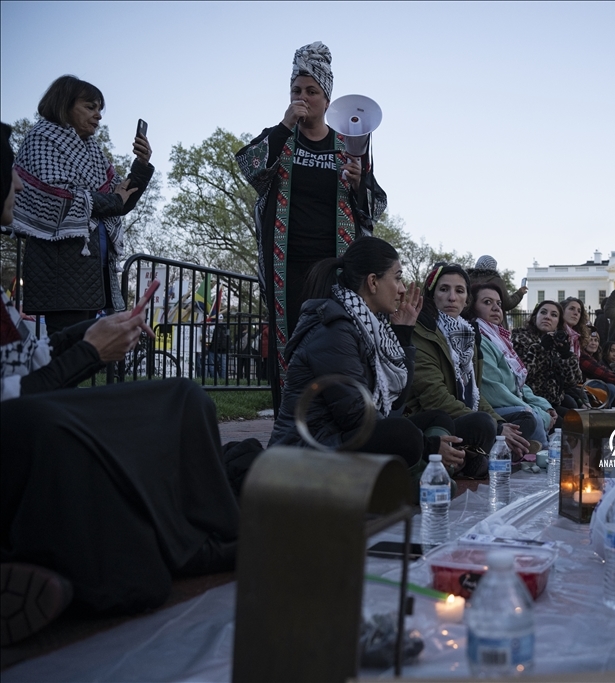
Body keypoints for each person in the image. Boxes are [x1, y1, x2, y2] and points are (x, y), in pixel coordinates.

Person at [0, 122, 237, 644]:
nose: (19, 186)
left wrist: (92, 333)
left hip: (38, 392)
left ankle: (208, 536)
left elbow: (16, 360)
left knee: (183, 396)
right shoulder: (47, 157)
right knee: (134, 579)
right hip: (23, 426)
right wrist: (87, 353)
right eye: (9, 178)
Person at [236, 42, 386, 401]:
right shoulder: (281, 137)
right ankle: (288, 421)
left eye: (311, 91)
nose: (302, 98)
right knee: (288, 341)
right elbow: (250, 170)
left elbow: (373, 207)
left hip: (335, 264)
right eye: (296, 90)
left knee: (334, 337)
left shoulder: (348, 143)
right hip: (285, 264)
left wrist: (357, 183)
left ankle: (336, 420)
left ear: (327, 97)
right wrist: (285, 125)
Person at [266, 238, 479, 477]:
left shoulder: (374, 327)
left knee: (436, 420)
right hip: (309, 450)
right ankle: (417, 475)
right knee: (405, 434)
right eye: (397, 277)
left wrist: (403, 333)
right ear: (373, 282)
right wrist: (427, 446)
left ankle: (419, 474)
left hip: (344, 438)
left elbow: (396, 403)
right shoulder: (333, 330)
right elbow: (356, 416)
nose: (401, 288)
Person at [10, 76, 154, 332]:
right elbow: (55, 196)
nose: (98, 115)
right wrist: (112, 200)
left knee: (85, 354)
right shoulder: (42, 139)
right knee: (67, 354)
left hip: (93, 270)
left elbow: (120, 201)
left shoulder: (93, 152)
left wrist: (141, 166)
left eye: (99, 109)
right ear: (64, 105)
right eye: (90, 107)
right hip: (60, 270)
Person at [405, 264, 530, 475]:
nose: (452, 298)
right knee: (483, 424)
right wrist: (496, 428)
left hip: (460, 413)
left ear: (466, 300)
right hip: (431, 419)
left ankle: (479, 456)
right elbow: (434, 398)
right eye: (444, 289)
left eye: (459, 291)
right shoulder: (422, 331)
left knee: (520, 422)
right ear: (432, 295)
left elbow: (474, 393)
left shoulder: (467, 335)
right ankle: (477, 458)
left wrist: (501, 425)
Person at [465, 283, 550, 449]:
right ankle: (541, 459)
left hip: (517, 401)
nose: (496, 308)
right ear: (473, 307)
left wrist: (545, 406)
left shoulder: (499, 339)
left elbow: (519, 383)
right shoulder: (480, 338)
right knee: (531, 418)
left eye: (499, 303)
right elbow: (493, 390)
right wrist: (536, 410)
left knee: (554, 413)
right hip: (493, 406)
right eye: (488, 302)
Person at [512, 300, 584, 414]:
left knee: (577, 414)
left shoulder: (557, 342)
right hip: (530, 400)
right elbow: (521, 376)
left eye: (554, 315)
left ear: (558, 324)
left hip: (554, 400)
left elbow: (572, 381)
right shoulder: (519, 338)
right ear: (535, 317)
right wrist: (540, 348)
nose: (547, 317)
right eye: (543, 312)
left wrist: (566, 356)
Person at [580, 328, 615, 404]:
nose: (593, 343)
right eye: (590, 340)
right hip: (580, 388)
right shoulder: (582, 356)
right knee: (611, 388)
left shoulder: (595, 358)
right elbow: (604, 374)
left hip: (587, 388)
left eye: (596, 340)